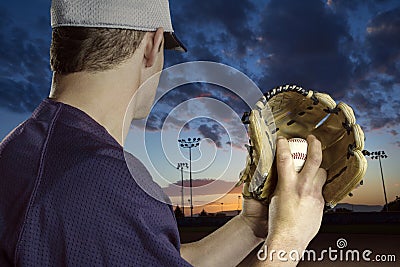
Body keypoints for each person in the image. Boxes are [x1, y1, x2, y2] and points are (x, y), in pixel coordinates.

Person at [0, 0, 327, 266]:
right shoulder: (102, 184)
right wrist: (288, 240)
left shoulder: (21, 148)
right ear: (152, 45)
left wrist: (253, 225)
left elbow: (158, 259)